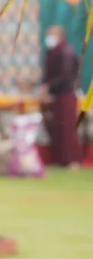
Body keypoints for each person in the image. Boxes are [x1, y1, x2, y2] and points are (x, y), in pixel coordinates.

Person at [43, 24, 83, 168]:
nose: (49, 39)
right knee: (58, 128)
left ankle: (72, 159)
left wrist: (49, 86)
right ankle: (60, 159)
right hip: (58, 95)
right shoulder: (53, 52)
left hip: (66, 94)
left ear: (59, 36)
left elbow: (66, 76)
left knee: (68, 128)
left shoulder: (66, 52)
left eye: (52, 35)